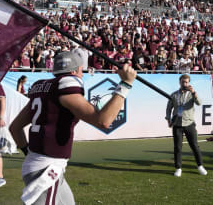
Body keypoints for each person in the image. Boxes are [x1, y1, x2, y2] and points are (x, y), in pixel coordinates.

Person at [9, 51, 136, 204]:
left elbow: (15, 128)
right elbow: (104, 121)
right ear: (75, 71)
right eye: (81, 70)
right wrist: (125, 85)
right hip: (46, 170)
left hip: (43, 166)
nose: (82, 75)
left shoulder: (44, 88)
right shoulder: (66, 85)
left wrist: (28, 152)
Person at [165, 74, 207, 177]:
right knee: (178, 147)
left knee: (194, 146)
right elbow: (168, 108)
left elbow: (199, 103)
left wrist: (194, 93)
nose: (185, 84)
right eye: (183, 82)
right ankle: (178, 168)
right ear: (180, 82)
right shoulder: (174, 95)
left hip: (189, 123)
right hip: (177, 124)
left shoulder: (192, 94)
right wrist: (168, 119)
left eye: (187, 82)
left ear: (189, 83)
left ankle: (200, 166)